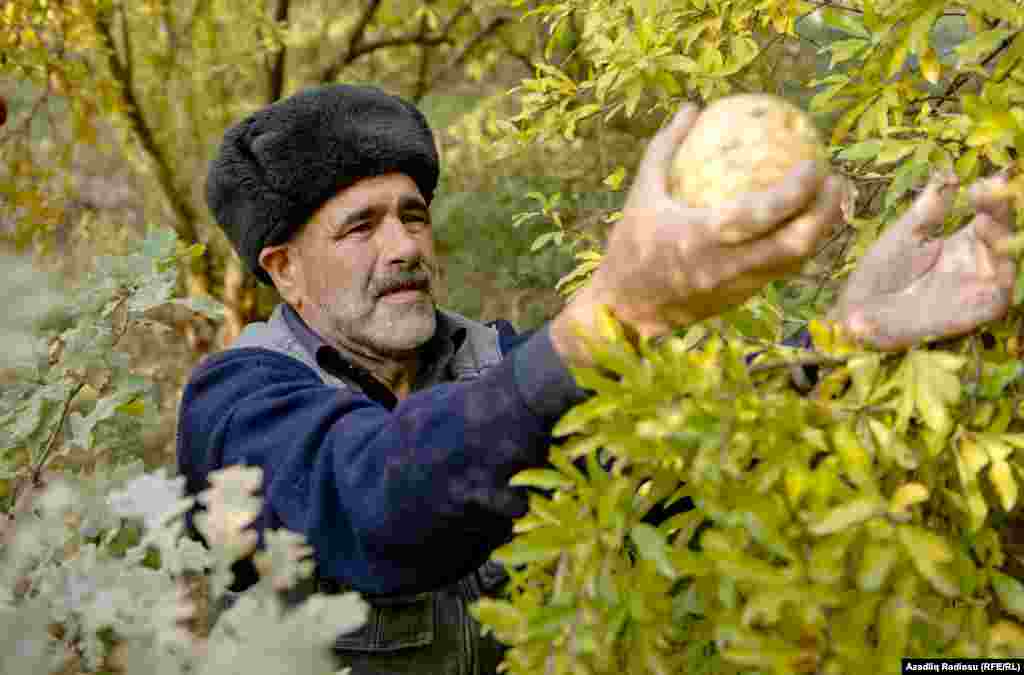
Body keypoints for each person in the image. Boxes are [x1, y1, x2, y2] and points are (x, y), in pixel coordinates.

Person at [177, 84, 1016, 675]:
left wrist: (855, 333)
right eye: (360, 225)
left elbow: (681, 438)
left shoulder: (503, 364)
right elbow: (378, 497)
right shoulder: (237, 404)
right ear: (285, 271)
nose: (402, 246)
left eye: (413, 215)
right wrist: (613, 311)